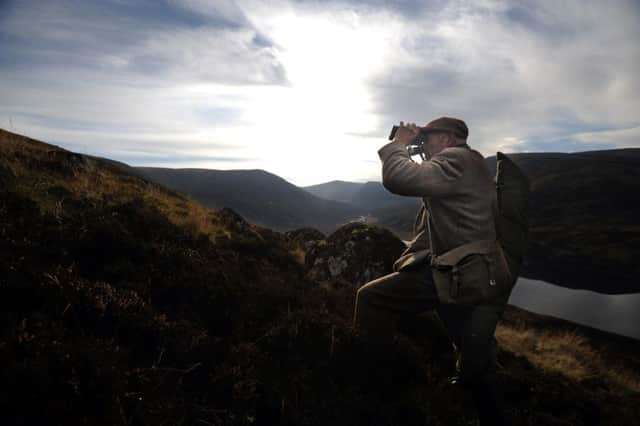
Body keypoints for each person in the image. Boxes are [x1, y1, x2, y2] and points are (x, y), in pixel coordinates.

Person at [353, 117, 514, 426]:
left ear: (450, 139)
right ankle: (485, 406)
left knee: (371, 299)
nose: (423, 141)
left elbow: (399, 179)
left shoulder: (456, 159)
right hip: (473, 273)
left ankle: (374, 385)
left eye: (429, 136)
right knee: (472, 353)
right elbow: (436, 224)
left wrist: (399, 143)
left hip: (458, 275)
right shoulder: (471, 163)